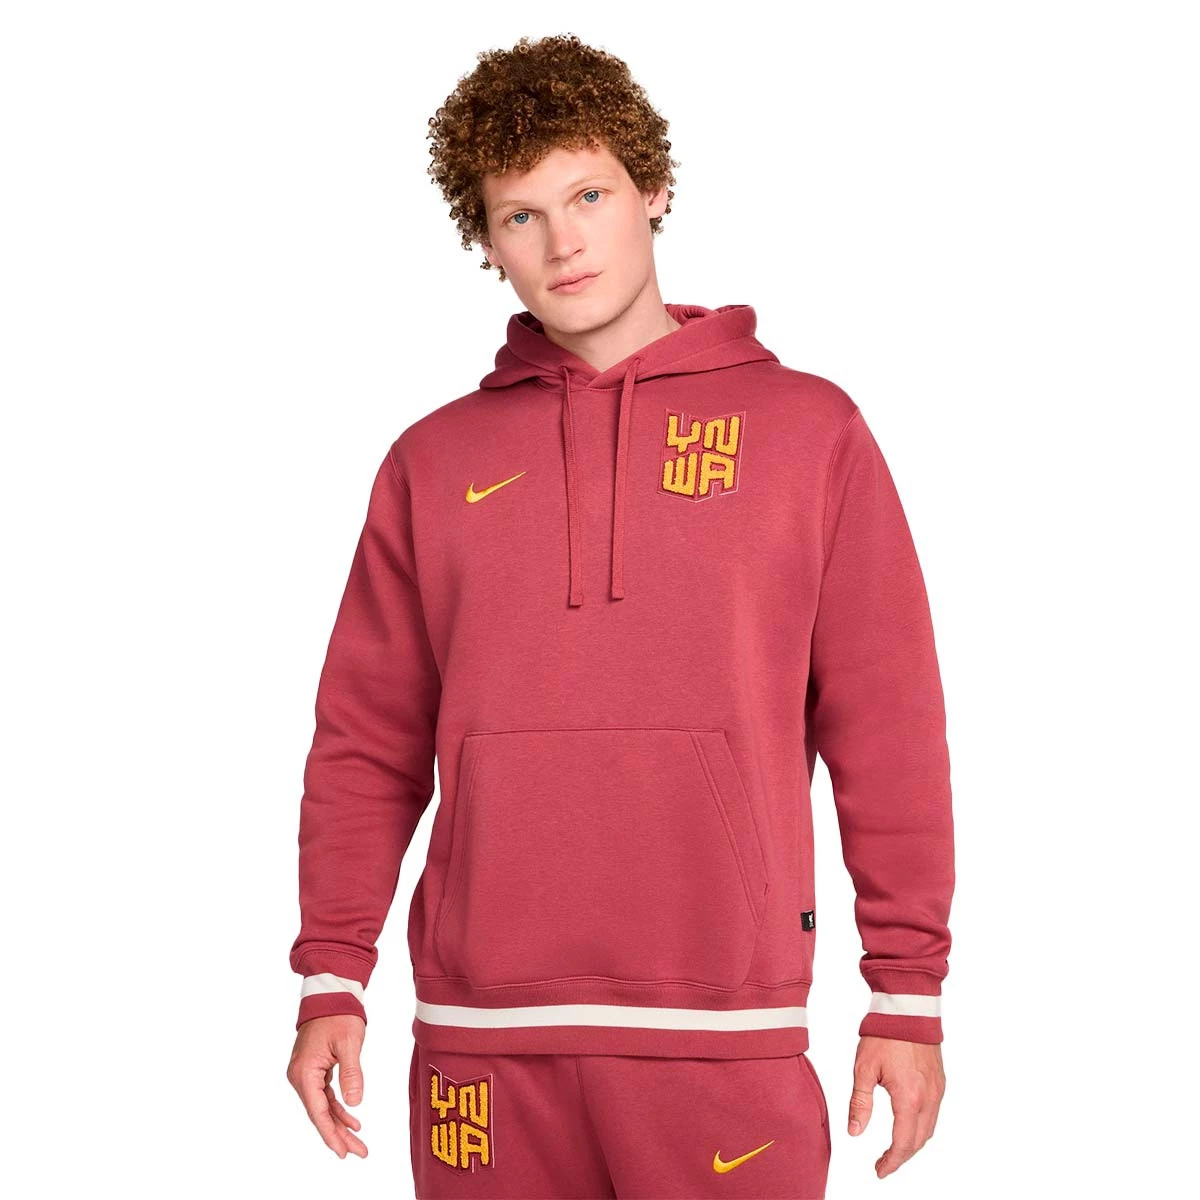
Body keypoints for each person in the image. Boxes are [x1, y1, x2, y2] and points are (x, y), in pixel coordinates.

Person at [285, 32, 954, 1199]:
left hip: (725, 1028)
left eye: (588, 195)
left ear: (653, 188)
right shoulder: (431, 462)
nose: (563, 242)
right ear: (488, 245)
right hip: (481, 1037)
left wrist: (906, 993)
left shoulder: (811, 435)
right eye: (521, 215)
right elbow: (366, 741)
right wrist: (332, 974)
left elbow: (887, 726)